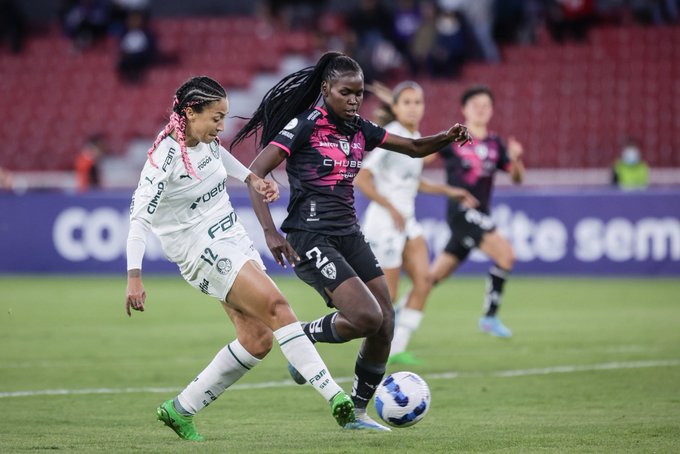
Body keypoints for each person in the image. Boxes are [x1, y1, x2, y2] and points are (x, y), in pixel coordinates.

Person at [230, 51, 471, 431]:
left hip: (348, 234)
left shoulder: (360, 127)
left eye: (359, 93)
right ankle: (300, 338)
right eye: (346, 93)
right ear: (326, 90)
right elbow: (255, 172)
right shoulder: (306, 124)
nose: (355, 100)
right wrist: (270, 231)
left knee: (385, 321)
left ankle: (357, 413)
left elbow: (412, 148)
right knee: (365, 316)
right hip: (309, 236)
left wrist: (447, 136)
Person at [125, 76, 355, 442]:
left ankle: (180, 409)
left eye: (224, 117)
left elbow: (220, 157)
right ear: (190, 113)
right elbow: (139, 221)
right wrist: (134, 276)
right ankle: (338, 398)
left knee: (257, 339)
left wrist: (253, 178)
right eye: (216, 118)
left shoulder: (206, 142)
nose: (221, 126)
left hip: (231, 236)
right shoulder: (162, 161)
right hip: (201, 251)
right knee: (278, 307)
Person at [354, 80, 478, 365]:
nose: (413, 107)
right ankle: (349, 338)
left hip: (406, 221)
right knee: (389, 296)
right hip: (386, 222)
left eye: (417, 102)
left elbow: (411, 181)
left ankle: (398, 347)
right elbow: (362, 176)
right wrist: (390, 207)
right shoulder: (392, 135)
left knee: (424, 281)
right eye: (406, 102)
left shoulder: (415, 136)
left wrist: (451, 191)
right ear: (395, 107)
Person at [427, 84, 525, 338]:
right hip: (462, 213)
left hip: (480, 215)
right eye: (476, 105)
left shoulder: (495, 143)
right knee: (506, 255)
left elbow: (516, 178)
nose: (481, 110)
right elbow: (422, 156)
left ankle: (397, 312)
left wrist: (515, 158)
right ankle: (490, 318)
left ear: (491, 110)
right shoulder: (454, 138)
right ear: (464, 109)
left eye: (486, 105)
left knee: (432, 277)